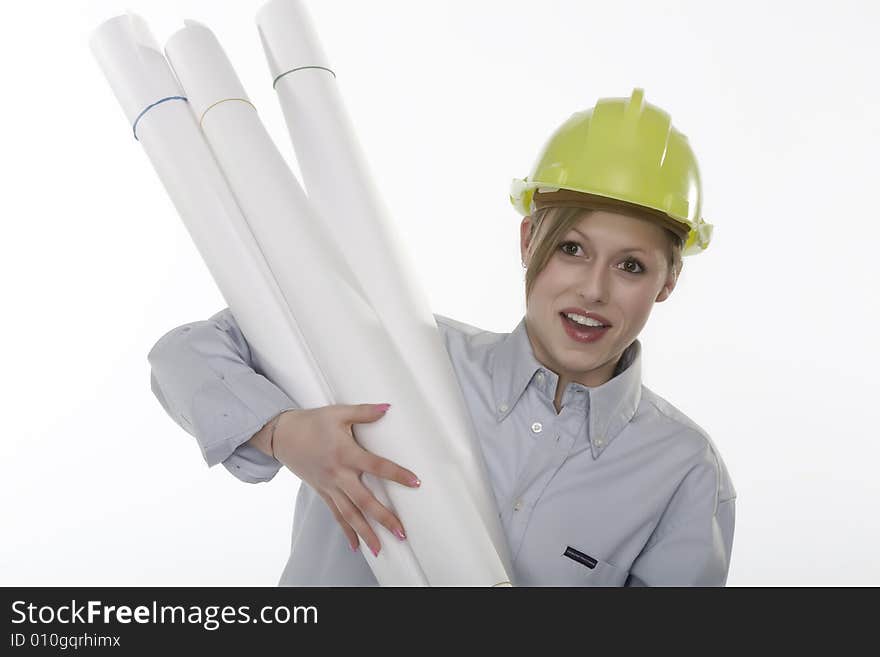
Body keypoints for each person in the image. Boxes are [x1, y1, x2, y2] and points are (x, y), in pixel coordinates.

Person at [148, 88, 736, 586]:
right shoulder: (397, 351)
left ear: (668, 280)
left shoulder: (684, 472)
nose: (593, 289)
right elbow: (185, 353)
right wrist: (283, 433)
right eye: (572, 249)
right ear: (530, 240)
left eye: (631, 265)